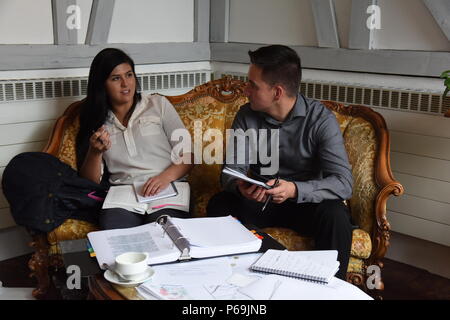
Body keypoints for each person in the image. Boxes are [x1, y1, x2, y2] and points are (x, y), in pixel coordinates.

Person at [206, 45, 354, 280]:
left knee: (336, 214)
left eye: (252, 85)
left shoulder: (320, 120)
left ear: (277, 92)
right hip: (260, 202)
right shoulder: (246, 115)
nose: (245, 90)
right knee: (219, 204)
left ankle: (334, 292)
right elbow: (230, 171)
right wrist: (240, 187)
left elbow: (344, 183)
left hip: (306, 204)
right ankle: (276, 264)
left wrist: (294, 189)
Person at [76, 48, 193, 229]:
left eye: (129, 75)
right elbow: (90, 182)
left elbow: (188, 154)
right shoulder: (96, 120)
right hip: (123, 195)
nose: (126, 84)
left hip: (167, 188)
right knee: (116, 235)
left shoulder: (158, 104)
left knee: (163, 233)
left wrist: (164, 178)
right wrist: (95, 152)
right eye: (116, 78)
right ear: (102, 84)